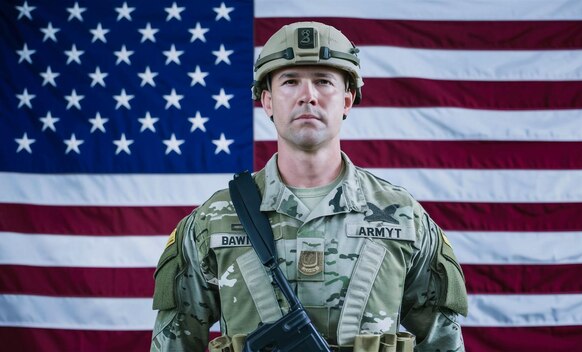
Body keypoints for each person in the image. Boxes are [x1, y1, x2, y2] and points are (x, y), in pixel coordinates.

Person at [150, 21, 468, 352]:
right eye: (290, 82)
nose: (308, 96)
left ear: (346, 101)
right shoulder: (212, 220)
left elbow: (443, 343)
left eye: (323, 81)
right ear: (268, 101)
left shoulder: (404, 218)